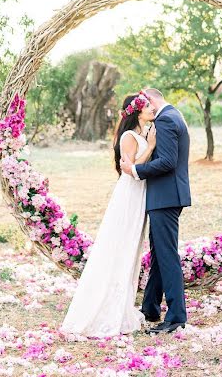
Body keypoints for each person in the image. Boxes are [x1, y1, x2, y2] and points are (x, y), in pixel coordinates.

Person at [60, 91, 156, 338]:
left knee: (132, 247)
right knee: (121, 246)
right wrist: (152, 145)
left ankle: (123, 304)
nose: (152, 109)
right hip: (129, 195)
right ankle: (106, 308)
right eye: (147, 106)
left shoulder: (140, 133)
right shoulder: (128, 135)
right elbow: (133, 169)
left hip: (139, 195)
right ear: (136, 110)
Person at [120, 87, 191, 334]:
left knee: (167, 255)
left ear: (149, 99)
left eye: (145, 103)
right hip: (165, 196)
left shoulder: (165, 119)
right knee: (159, 254)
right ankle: (150, 306)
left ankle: (175, 316)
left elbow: (169, 161)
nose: (145, 108)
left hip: (165, 196)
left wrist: (136, 171)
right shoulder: (173, 115)